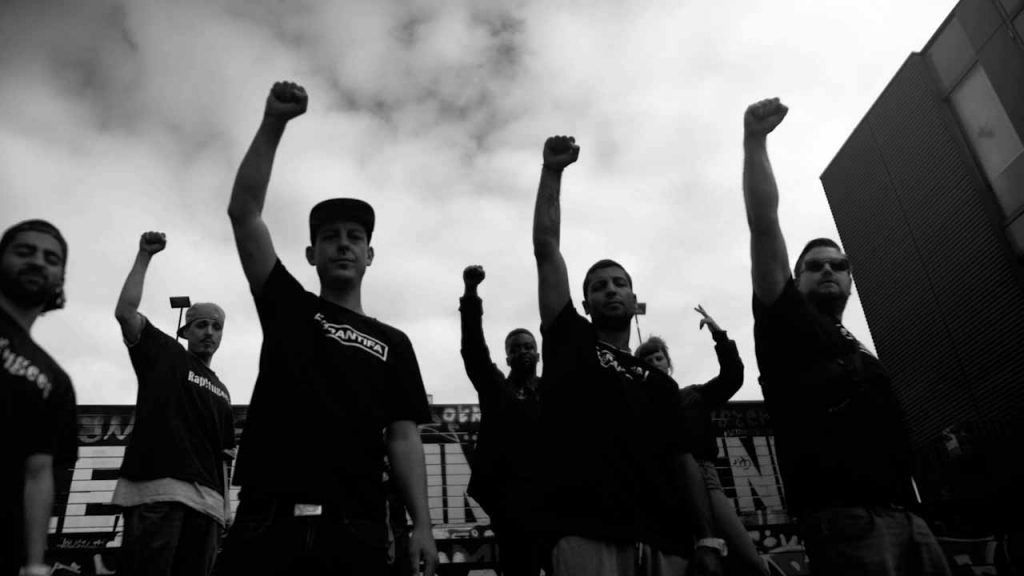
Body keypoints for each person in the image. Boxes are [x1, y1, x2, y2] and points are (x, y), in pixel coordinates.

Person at [220, 80, 436, 576]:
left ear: (369, 255)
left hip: (356, 524)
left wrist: (422, 525)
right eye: (330, 237)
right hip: (268, 519)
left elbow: (404, 437)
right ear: (311, 254)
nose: (343, 244)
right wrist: (274, 122)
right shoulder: (288, 307)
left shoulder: (394, 343)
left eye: (354, 237)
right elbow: (244, 213)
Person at [741, 97, 951, 575]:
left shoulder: (858, 347)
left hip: (909, 517)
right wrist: (755, 141)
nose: (828, 270)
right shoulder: (785, 322)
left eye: (839, 265)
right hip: (848, 521)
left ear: (851, 280)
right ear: (795, 280)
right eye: (814, 266)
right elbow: (764, 225)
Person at [531, 135, 724, 576]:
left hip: (666, 542)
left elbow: (683, 459)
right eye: (599, 287)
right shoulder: (570, 341)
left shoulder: (660, 382)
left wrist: (708, 539)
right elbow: (546, 249)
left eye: (619, 283)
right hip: (584, 534)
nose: (611, 290)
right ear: (585, 304)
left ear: (634, 299)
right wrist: (552, 172)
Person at [112, 231, 236, 576]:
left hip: (208, 508)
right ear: (186, 331)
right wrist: (144, 256)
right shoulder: (165, 354)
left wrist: (226, 509)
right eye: (201, 325)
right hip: (158, 495)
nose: (209, 332)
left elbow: (223, 457)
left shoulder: (222, 391)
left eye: (216, 327)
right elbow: (125, 312)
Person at [636, 306, 768, 576]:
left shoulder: (692, 396)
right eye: (648, 360)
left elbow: (732, 377)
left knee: (748, 559)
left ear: (668, 363)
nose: (655, 363)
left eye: (659, 357)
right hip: (662, 486)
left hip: (704, 476)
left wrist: (720, 336)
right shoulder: (638, 408)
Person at [0, 220, 77, 576]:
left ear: (60, 278)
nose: (38, 262)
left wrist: (33, 565)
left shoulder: (55, 380)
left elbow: (39, 473)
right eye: (25, 251)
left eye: (51, 258)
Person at [459, 264, 543, 576]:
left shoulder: (551, 390)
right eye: (515, 349)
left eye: (529, 347)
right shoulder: (497, 389)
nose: (523, 352)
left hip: (552, 501)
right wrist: (470, 293)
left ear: (538, 354)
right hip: (510, 504)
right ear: (507, 357)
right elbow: (473, 351)